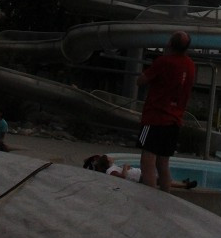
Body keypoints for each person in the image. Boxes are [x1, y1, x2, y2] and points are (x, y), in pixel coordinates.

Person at [137, 31, 196, 190]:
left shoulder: (163, 62)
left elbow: (141, 80)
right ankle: (164, 199)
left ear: (170, 44)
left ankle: (147, 200)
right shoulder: (190, 65)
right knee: (163, 163)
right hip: (174, 121)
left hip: (154, 118)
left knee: (147, 160)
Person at [83, 154, 197, 188]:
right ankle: (184, 185)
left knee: (161, 179)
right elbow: (123, 176)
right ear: (107, 161)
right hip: (139, 178)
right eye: (109, 157)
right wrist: (125, 167)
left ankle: (183, 183)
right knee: (163, 181)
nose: (111, 158)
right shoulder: (111, 171)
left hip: (139, 175)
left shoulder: (112, 168)